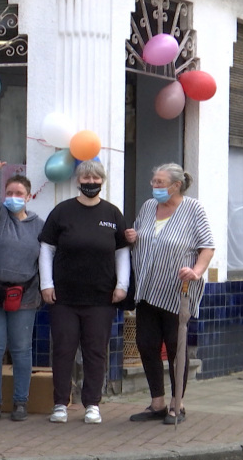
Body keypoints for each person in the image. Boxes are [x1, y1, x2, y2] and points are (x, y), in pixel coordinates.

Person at [38, 159, 130, 424]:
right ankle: (60, 404)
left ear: (102, 181)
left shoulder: (113, 214)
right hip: (64, 297)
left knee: (96, 351)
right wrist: (47, 284)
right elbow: (46, 249)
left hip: (101, 296)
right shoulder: (62, 212)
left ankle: (92, 404)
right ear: (78, 181)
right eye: (86, 179)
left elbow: (122, 251)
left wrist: (121, 285)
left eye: (96, 179)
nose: (91, 183)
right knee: (63, 350)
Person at [125, 163, 214, 425]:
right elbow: (143, 238)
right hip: (147, 289)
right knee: (146, 344)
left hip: (177, 292)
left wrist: (196, 271)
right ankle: (157, 403)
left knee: (177, 348)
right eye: (153, 181)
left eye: (160, 182)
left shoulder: (193, 209)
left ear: (176, 185)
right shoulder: (148, 207)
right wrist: (133, 236)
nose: (154, 186)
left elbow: (207, 247)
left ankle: (178, 404)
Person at [0, 158, 44, 421]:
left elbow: (46, 259)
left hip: (25, 296)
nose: (13, 197)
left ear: (28, 196)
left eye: (19, 194)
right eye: (9, 193)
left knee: (22, 350)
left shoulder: (40, 225)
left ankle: (20, 402)